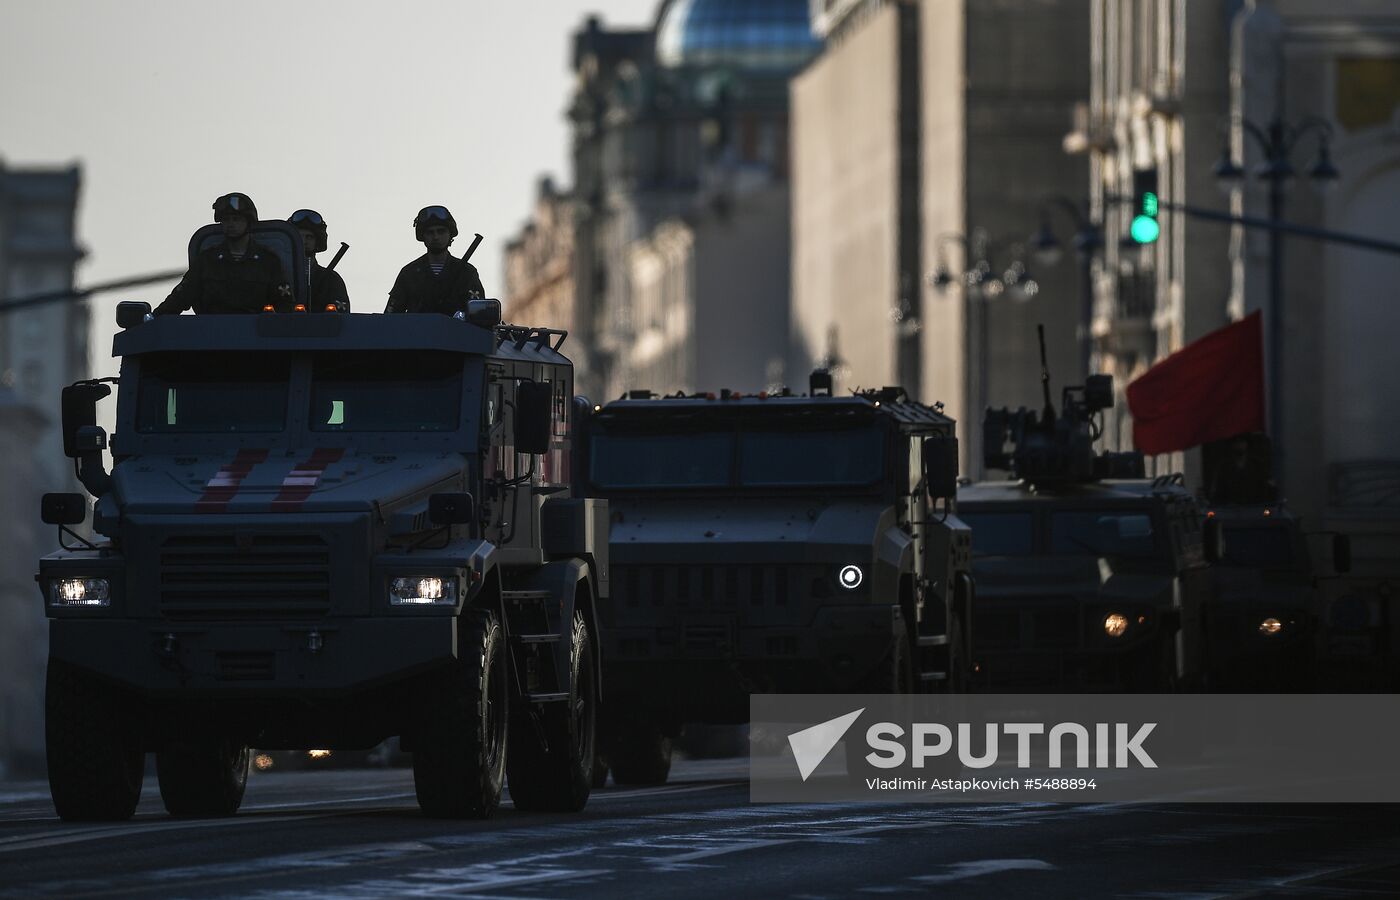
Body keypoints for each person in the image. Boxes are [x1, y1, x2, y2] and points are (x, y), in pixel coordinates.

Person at [153, 193, 292, 315]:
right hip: (212, 335)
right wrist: (154, 318)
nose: (230, 224)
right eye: (226, 220)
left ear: (248, 223)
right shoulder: (207, 260)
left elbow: (284, 304)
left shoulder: (268, 261)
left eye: (236, 219)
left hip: (257, 338)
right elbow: (181, 297)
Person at [384, 205, 485, 315]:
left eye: (441, 231)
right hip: (417, 331)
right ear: (423, 236)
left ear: (450, 234)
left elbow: (480, 316)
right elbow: (390, 318)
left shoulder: (467, 273)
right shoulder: (409, 273)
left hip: (456, 332)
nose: (436, 237)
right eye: (430, 232)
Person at [288, 208, 350, 312]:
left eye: (309, 237)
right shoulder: (278, 276)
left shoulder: (331, 280)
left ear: (317, 242)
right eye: (299, 236)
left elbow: (342, 319)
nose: (303, 241)